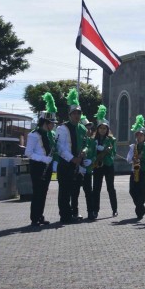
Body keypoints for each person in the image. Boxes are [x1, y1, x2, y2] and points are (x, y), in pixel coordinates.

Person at [55, 87, 88, 223]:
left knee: (75, 191)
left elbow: (86, 143)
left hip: (78, 163)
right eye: (74, 113)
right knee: (64, 191)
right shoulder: (62, 128)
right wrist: (72, 158)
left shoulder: (83, 128)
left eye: (78, 113)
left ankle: (75, 212)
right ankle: (65, 215)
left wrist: (84, 152)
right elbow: (60, 148)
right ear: (69, 115)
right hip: (66, 164)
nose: (77, 116)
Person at [24, 93, 57, 227]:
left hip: (47, 167)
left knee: (43, 192)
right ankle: (34, 218)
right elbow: (28, 153)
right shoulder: (34, 135)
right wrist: (44, 159)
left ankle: (40, 215)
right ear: (46, 123)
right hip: (37, 167)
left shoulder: (49, 135)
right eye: (52, 123)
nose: (53, 126)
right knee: (37, 192)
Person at [88, 106, 118, 220]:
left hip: (108, 165)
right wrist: (96, 155)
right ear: (98, 129)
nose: (102, 130)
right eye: (100, 128)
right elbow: (90, 152)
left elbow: (113, 153)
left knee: (110, 187)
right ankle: (95, 210)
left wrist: (105, 151)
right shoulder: (93, 140)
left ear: (107, 129)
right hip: (97, 166)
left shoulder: (112, 140)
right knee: (96, 188)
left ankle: (114, 209)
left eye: (105, 128)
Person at [126, 115, 145, 219]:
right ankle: (141, 208)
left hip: (144, 170)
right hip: (134, 170)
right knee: (132, 190)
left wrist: (142, 157)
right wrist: (133, 159)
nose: (139, 137)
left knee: (142, 191)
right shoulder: (133, 146)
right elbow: (127, 158)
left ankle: (139, 211)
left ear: (144, 136)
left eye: (141, 135)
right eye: (138, 135)